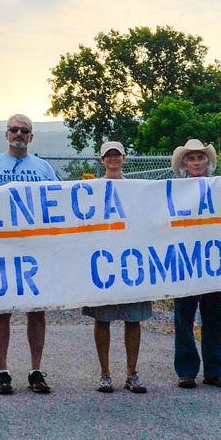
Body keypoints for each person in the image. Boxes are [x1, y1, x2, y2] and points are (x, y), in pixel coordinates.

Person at [0, 114, 60, 395]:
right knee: (3, 309)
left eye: (24, 131)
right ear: (6, 135)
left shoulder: (43, 168)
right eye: (14, 130)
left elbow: (61, 200)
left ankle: (35, 370)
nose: (19, 134)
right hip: (1, 246)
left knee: (36, 309)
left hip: (35, 246)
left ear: (31, 138)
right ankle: (3, 370)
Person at [82, 141, 150, 394]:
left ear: (124, 158)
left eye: (117, 155)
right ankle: (105, 374)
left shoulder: (137, 189)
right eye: (108, 155)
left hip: (132, 260)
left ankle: (132, 373)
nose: (113, 159)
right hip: (102, 261)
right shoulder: (91, 189)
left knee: (134, 319)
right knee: (103, 319)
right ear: (101, 160)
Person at [170, 138, 221, 390]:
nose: (197, 162)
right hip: (184, 262)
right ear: (184, 165)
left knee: (214, 317)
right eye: (192, 158)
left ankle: (215, 370)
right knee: (183, 317)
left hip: (215, 262)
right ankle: (186, 371)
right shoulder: (172, 192)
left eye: (201, 158)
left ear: (208, 163)